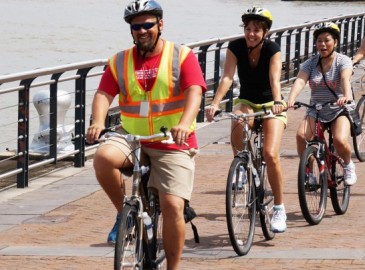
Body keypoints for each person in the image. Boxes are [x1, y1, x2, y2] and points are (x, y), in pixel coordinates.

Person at [86, 0, 206, 268]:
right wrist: (97, 120)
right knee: (103, 158)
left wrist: (185, 123)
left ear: (160, 25)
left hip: (172, 142)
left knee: (173, 206)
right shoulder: (119, 61)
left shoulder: (181, 55)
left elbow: (194, 91)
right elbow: (104, 93)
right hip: (132, 137)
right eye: (135, 26)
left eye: (148, 25)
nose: (142, 31)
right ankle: (126, 215)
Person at [205, 7, 287, 233]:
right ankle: (242, 166)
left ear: (265, 32)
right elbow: (228, 77)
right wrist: (215, 102)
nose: (251, 34)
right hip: (247, 101)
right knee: (238, 120)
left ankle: (279, 208)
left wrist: (278, 101)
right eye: (247, 29)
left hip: (271, 103)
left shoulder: (272, 48)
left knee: (270, 154)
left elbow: (274, 78)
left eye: (256, 30)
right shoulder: (235, 47)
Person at [287, 22, 357, 185]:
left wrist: (346, 96)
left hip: (339, 108)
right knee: (301, 136)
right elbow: (299, 81)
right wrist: (290, 99)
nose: (323, 44)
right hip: (316, 109)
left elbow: (346, 78)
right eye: (319, 40)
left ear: (336, 42)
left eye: (327, 40)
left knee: (339, 140)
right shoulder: (310, 63)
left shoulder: (343, 61)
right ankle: (309, 171)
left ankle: (348, 164)